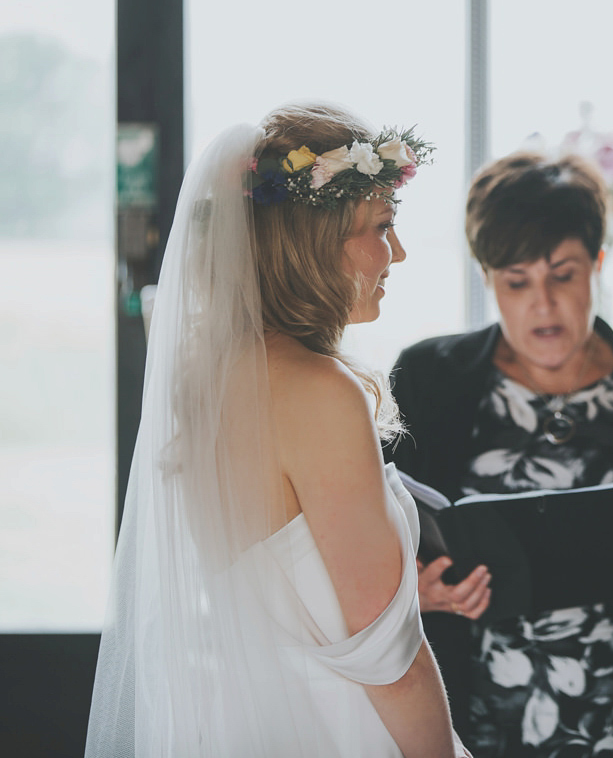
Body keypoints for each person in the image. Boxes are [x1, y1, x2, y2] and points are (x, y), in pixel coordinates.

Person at [84, 102, 469, 757]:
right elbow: (390, 663)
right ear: (313, 239)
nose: (396, 253)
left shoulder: (209, 380)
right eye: (383, 225)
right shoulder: (319, 392)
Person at [385, 151, 613, 758]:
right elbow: (376, 549)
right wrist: (417, 591)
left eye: (563, 274)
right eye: (516, 281)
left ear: (597, 263)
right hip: (468, 721)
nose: (541, 302)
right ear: (487, 278)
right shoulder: (426, 380)